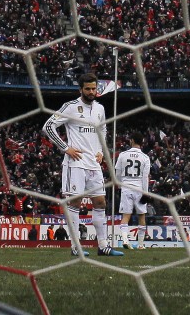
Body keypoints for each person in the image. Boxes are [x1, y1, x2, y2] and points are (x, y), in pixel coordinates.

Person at [43, 72, 123, 257]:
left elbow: (102, 129)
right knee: (75, 202)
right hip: (75, 163)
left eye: (94, 88)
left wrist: (101, 152)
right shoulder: (70, 107)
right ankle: (75, 246)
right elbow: (48, 126)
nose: (91, 91)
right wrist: (65, 147)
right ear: (80, 90)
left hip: (93, 163)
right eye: (87, 89)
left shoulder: (100, 109)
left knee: (100, 202)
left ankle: (103, 246)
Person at [114, 132, 151, 250]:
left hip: (126, 187)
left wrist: (120, 185)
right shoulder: (145, 157)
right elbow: (145, 177)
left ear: (132, 141)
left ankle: (125, 240)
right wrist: (146, 192)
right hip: (139, 188)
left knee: (126, 215)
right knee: (141, 216)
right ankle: (140, 245)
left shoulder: (122, 155)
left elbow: (118, 173)